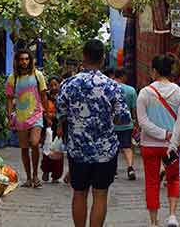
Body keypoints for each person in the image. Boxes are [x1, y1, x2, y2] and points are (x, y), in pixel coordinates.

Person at [57, 39, 130, 227]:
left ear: (84, 56)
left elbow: (61, 114)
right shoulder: (112, 86)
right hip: (105, 151)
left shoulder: (69, 84)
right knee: (100, 194)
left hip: (78, 150)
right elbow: (123, 118)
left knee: (79, 193)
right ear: (103, 58)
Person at [137, 55, 180, 227]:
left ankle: (153, 221)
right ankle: (172, 215)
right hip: (171, 146)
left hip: (149, 145)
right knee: (173, 179)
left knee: (151, 182)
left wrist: (161, 134)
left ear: (155, 71)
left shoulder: (144, 93)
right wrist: (171, 140)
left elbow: (143, 122)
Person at [6, 48, 48, 188]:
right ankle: (29, 178)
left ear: (30, 61)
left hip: (37, 115)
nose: (24, 62)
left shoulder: (38, 75)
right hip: (20, 117)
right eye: (21, 59)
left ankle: (36, 174)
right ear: (17, 61)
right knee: (24, 148)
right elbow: (9, 99)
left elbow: (43, 95)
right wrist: (8, 115)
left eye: (26, 59)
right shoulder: (13, 78)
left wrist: (47, 113)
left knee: (35, 143)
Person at [113, 68, 138, 180]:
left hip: (113, 123)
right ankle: (130, 167)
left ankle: (114, 171)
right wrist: (135, 121)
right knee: (127, 146)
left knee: (114, 148)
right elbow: (134, 108)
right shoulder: (131, 90)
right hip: (127, 123)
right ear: (123, 76)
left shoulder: (110, 88)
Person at [41, 76, 65, 183]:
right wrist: (47, 117)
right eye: (51, 85)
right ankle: (45, 171)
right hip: (48, 127)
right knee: (46, 150)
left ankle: (56, 175)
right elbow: (42, 109)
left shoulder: (63, 96)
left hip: (59, 127)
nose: (53, 87)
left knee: (58, 151)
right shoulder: (45, 96)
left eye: (56, 85)